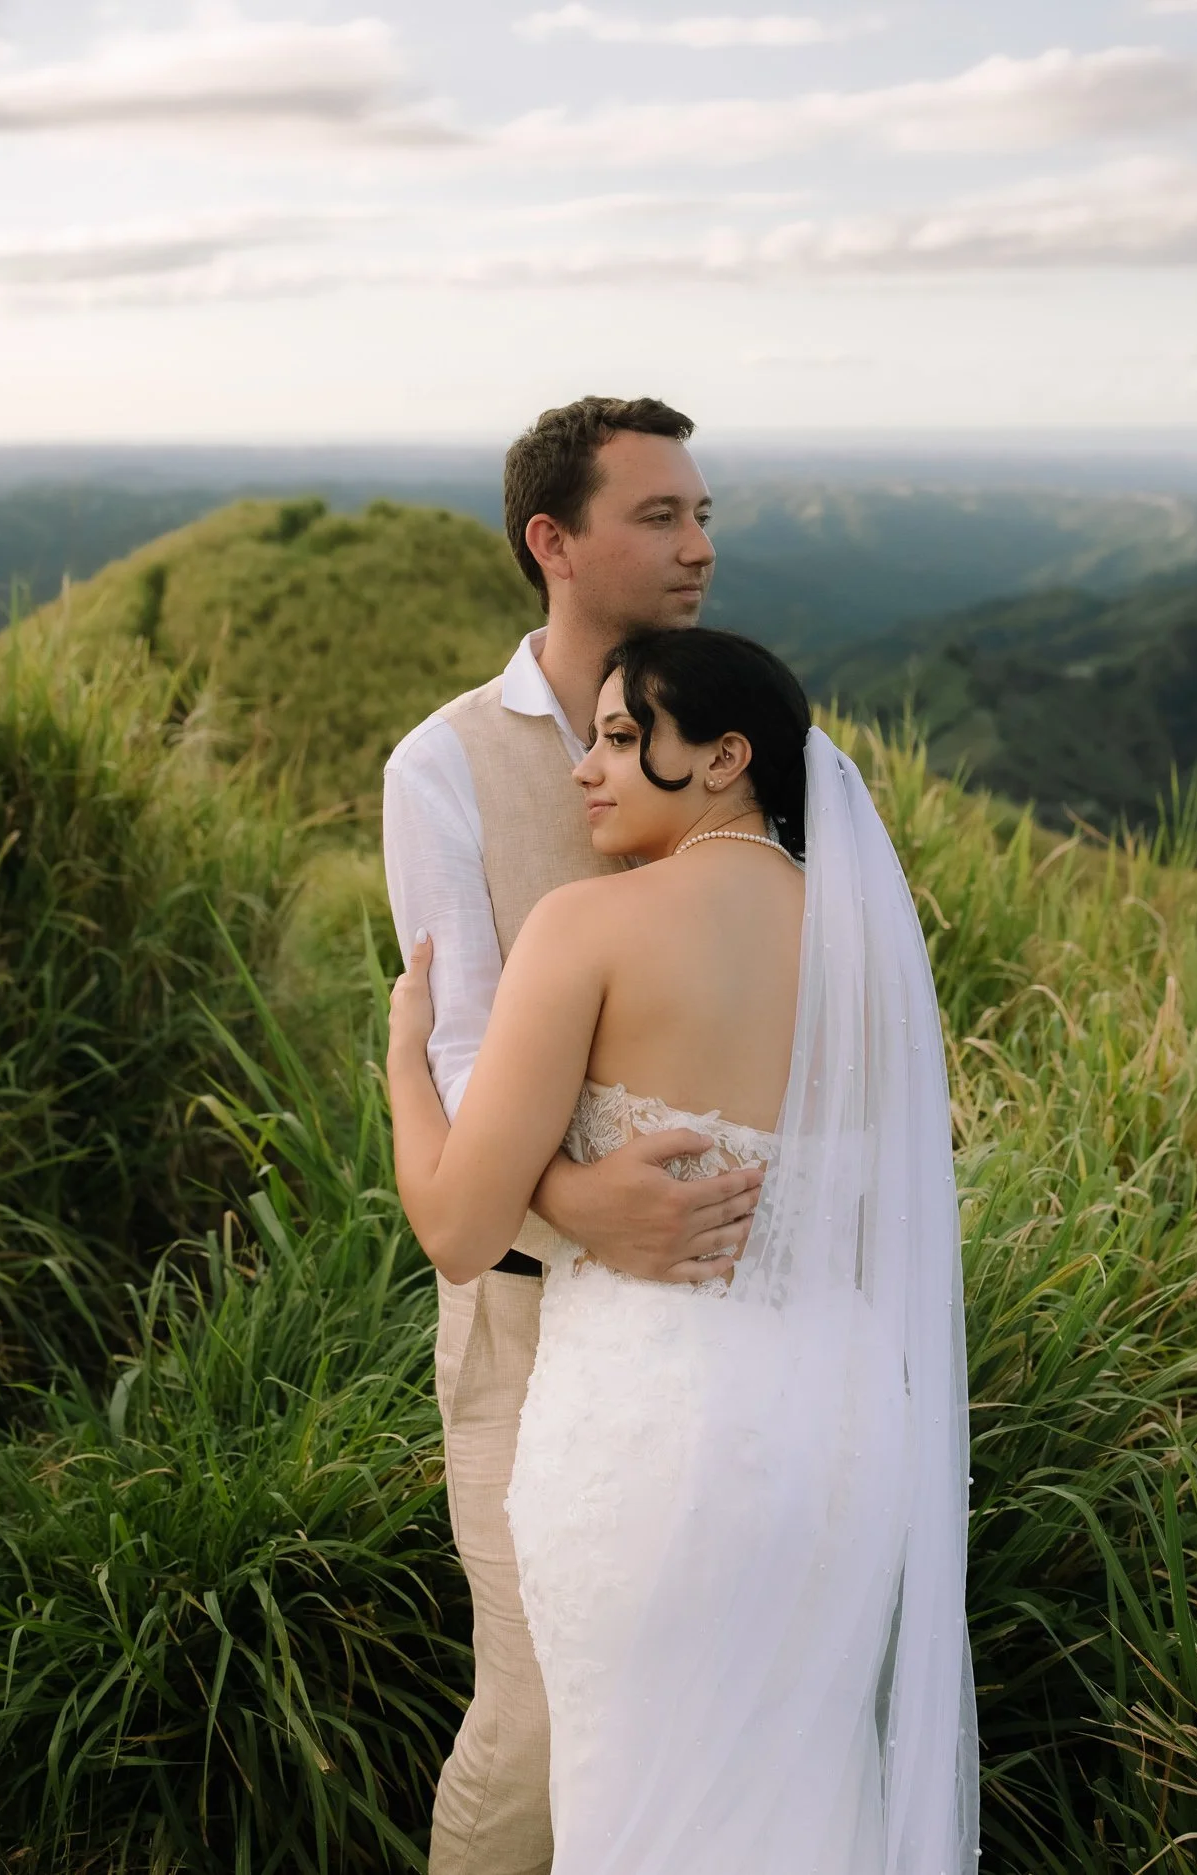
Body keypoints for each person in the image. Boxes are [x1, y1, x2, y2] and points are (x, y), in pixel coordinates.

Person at [388, 626, 979, 1874]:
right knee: (802, 1798)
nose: (583, 769)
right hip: (844, 1439)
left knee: (637, 1810)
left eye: (618, 736)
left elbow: (457, 1226)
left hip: (653, 1440)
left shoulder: (585, 926)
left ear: (723, 757)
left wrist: (405, 1065)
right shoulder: (868, 946)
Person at [382, 396, 767, 1875]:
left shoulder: (743, 732)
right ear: (554, 541)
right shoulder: (447, 763)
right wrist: (573, 1202)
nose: (699, 545)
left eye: (703, 513)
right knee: (538, 1712)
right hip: (528, 1318)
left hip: (724, 1315)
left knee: (685, 1701)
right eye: (661, 516)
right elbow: (463, 1040)